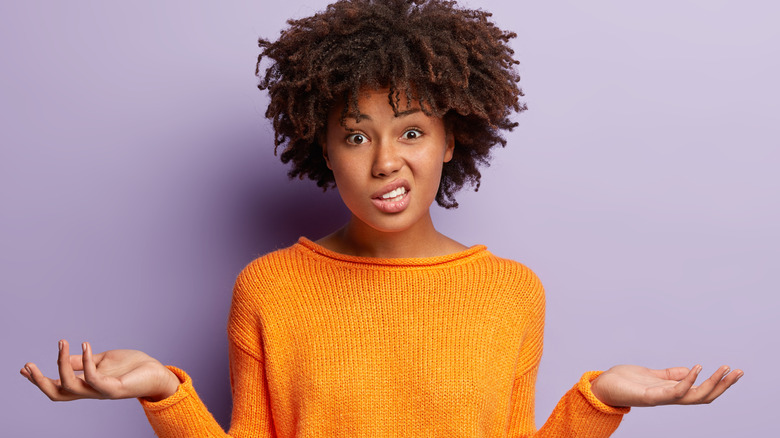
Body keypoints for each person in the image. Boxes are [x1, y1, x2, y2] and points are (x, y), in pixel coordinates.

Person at [20, 0, 742, 436]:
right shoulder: (268, 287)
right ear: (323, 147)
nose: (386, 162)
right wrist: (164, 393)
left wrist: (598, 401)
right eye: (357, 135)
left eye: (412, 131)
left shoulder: (512, 291)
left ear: (451, 138)